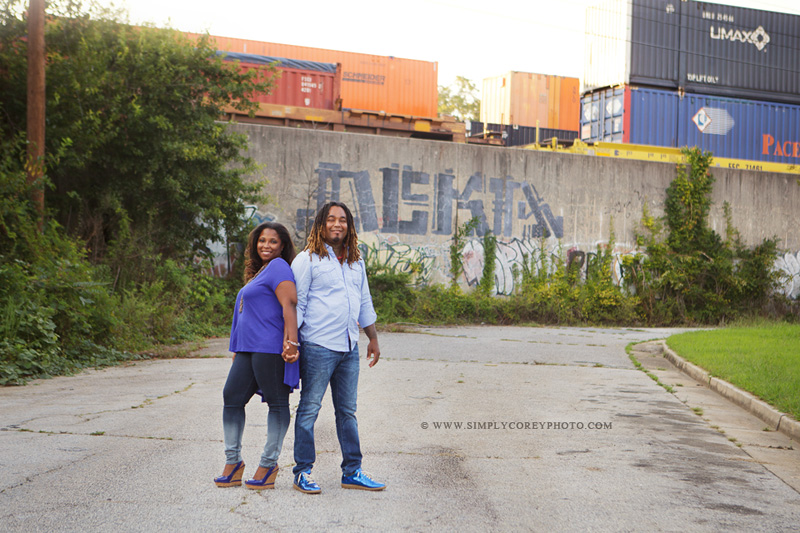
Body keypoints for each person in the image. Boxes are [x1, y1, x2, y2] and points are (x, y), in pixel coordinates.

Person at [291, 201, 386, 494]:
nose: (337, 224)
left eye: (342, 219)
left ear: (349, 225)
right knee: (309, 410)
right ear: (321, 224)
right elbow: (297, 304)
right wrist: (291, 342)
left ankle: (352, 472)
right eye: (331, 219)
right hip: (318, 346)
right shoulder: (307, 259)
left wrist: (372, 337)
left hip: (349, 346)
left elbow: (364, 301)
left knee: (347, 412)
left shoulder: (355, 260)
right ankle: (302, 472)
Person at [214, 222, 300, 490]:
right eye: (262, 240)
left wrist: (292, 343)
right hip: (248, 350)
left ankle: (268, 463)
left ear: (282, 246)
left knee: (276, 403)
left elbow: (290, 305)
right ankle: (233, 463)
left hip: (270, 348)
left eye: (273, 241)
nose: (266, 245)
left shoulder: (279, 267)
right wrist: (237, 349)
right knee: (232, 397)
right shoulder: (260, 271)